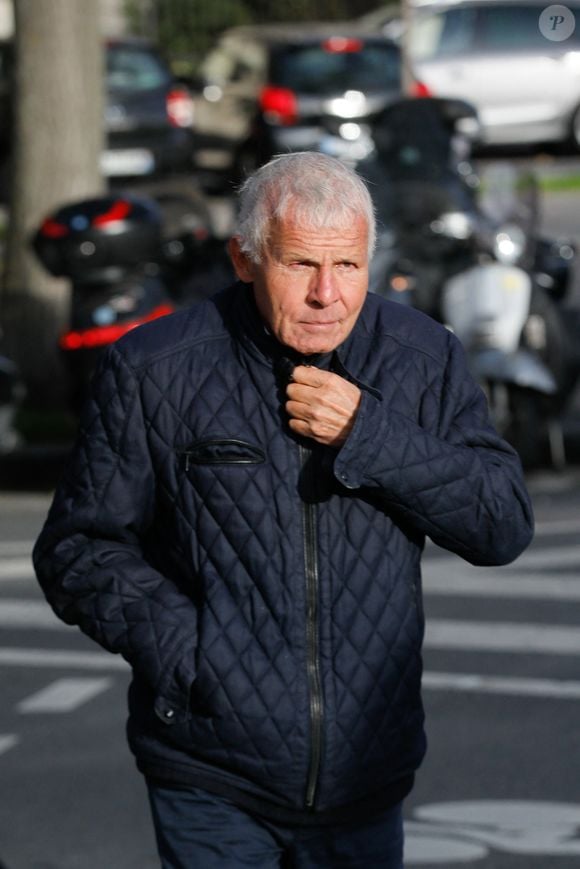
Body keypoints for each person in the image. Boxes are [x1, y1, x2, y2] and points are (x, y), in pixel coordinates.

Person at [33, 152, 534, 868]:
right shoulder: (154, 368)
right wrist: (195, 657)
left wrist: (372, 435)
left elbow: (502, 525)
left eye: (350, 267)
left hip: (367, 771)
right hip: (210, 770)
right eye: (301, 265)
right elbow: (78, 548)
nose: (328, 294)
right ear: (245, 259)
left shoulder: (423, 359)